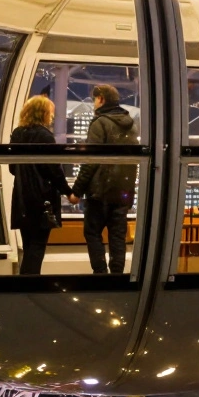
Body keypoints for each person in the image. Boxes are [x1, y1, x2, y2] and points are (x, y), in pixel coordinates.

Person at [72, 84, 138, 274]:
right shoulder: (131, 123)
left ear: (101, 98)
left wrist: (77, 190)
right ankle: (117, 277)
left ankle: (100, 275)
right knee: (117, 236)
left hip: (99, 192)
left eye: (94, 99)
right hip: (123, 192)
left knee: (92, 232)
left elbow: (91, 161)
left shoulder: (99, 123)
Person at [10, 95, 72, 275]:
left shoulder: (17, 133)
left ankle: (24, 287)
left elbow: (12, 168)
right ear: (43, 113)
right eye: (50, 113)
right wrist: (68, 192)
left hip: (21, 197)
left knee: (28, 244)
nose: (52, 116)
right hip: (42, 198)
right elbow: (54, 170)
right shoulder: (45, 135)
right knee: (37, 247)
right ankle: (29, 289)